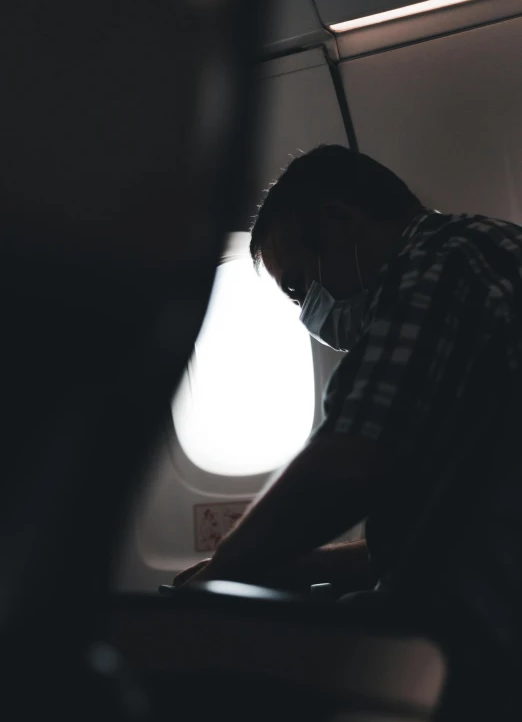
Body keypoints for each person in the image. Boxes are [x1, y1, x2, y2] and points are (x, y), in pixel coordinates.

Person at [174, 144, 522, 605]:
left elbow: (349, 463)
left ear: (339, 224)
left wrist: (224, 568)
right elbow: (444, 536)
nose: (309, 314)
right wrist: (299, 566)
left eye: (299, 287)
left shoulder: (439, 265)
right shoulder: (487, 246)